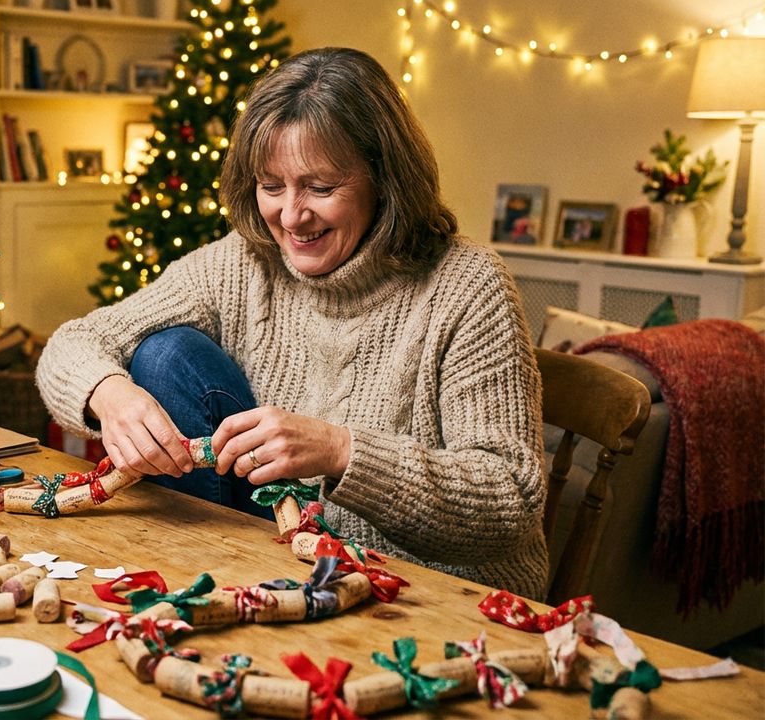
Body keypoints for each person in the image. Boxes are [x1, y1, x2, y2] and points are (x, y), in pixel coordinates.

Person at [36, 47, 547, 597]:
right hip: (280, 552)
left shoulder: (468, 285)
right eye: (271, 186)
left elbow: (512, 501)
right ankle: (196, 578)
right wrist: (111, 397)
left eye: (321, 188)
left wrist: (342, 451)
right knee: (165, 354)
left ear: (385, 178)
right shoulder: (244, 262)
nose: (291, 215)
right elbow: (73, 343)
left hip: (426, 587)